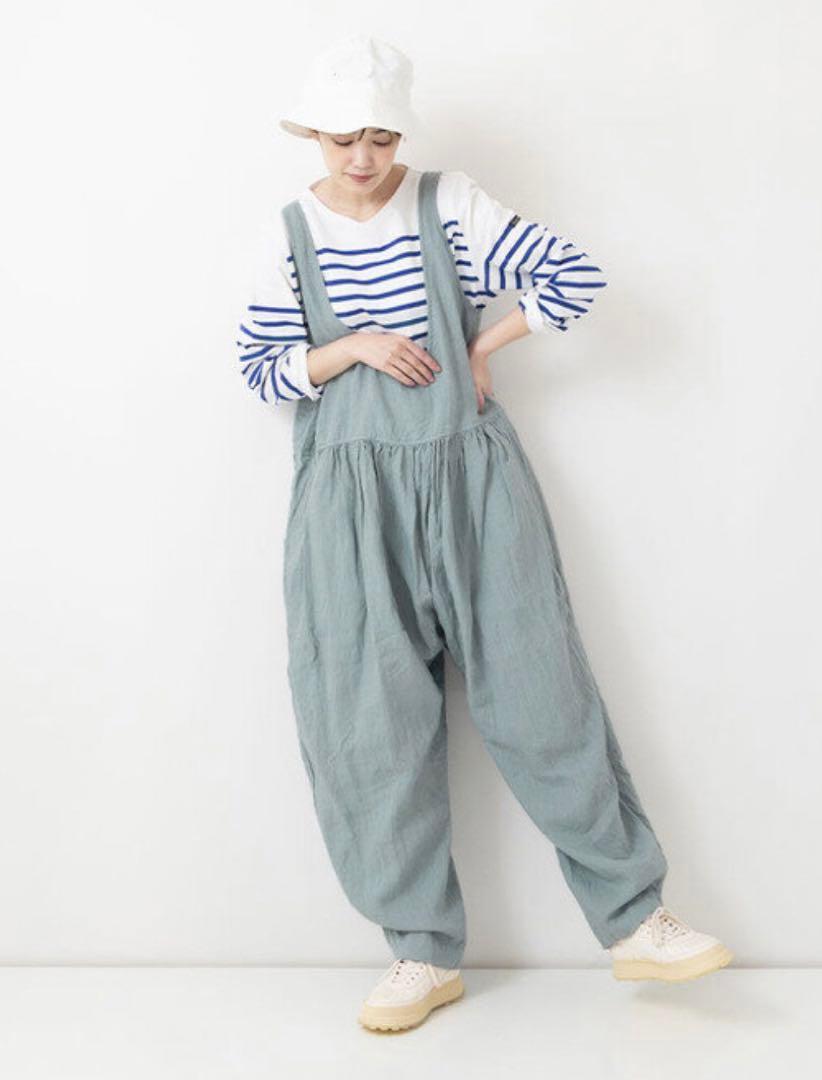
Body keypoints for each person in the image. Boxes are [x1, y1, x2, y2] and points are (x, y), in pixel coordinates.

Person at [236, 33, 733, 1034]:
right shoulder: (290, 232)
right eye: (341, 139)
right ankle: (419, 952)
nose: (362, 158)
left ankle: (635, 920)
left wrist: (480, 344)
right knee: (366, 722)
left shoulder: (448, 204)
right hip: (346, 499)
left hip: (471, 474)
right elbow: (259, 367)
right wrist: (350, 348)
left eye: (380, 137)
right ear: (311, 135)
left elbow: (571, 277)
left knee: (541, 693)